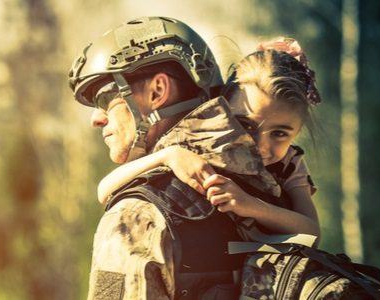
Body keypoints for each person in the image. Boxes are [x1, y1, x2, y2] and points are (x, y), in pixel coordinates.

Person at [69, 17, 285, 299]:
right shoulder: (270, 186)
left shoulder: (137, 214)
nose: (97, 119)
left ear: (157, 91)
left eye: (103, 100)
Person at [97, 37, 321, 237]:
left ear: (297, 132)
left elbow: (311, 231)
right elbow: (105, 190)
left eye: (279, 134)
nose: (261, 146)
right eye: (246, 125)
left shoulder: (289, 164)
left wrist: (251, 205)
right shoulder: (201, 143)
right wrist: (168, 156)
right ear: (220, 110)